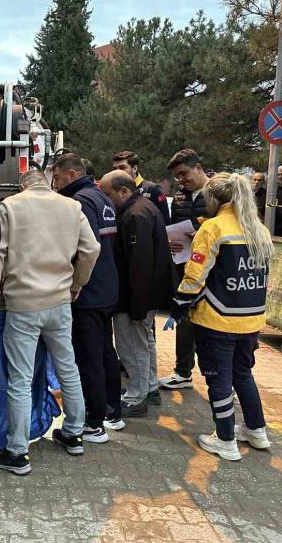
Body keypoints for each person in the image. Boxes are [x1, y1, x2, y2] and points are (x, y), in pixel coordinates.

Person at [0, 169, 99, 476]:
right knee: (67, 367)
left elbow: (0, 253)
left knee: (20, 378)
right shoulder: (71, 206)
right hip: (60, 302)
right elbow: (91, 249)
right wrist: (77, 283)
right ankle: (74, 433)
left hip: (22, 303)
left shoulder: (10, 206)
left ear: (23, 185)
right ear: (49, 183)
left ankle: (18, 451)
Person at [166, 172, 273, 461]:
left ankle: (225, 439)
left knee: (218, 379)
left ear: (214, 199)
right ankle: (256, 429)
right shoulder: (258, 230)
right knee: (243, 374)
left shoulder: (214, 228)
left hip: (217, 319)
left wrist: (180, 303)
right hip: (251, 319)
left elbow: (194, 274)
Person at [55, 154, 125, 437]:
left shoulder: (80, 202)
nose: (55, 184)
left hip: (88, 291)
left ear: (71, 174)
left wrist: (74, 283)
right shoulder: (102, 198)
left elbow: (83, 250)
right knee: (106, 352)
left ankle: (93, 422)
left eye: (57, 178)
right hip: (107, 288)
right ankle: (112, 410)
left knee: (88, 357)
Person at [100, 170, 175, 418]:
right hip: (143, 295)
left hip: (134, 297)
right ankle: (147, 388)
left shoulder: (135, 216)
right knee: (143, 344)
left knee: (132, 347)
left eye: (109, 195)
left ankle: (136, 397)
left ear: (123, 191)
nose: (107, 201)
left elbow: (139, 265)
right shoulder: (143, 209)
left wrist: (137, 305)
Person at [158, 149, 208, 391]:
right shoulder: (179, 197)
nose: (182, 180)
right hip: (184, 265)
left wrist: (203, 236)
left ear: (198, 167)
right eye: (177, 177)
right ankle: (182, 371)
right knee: (185, 318)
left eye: (184, 174)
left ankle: (218, 375)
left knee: (211, 324)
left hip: (212, 269)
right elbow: (172, 226)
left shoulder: (219, 193)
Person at [112, 151, 170, 224]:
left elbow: (165, 221)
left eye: (122, 168)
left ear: (135, 168)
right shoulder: (114, 191)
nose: (117, 172)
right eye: (115, 169)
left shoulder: (152, 189)